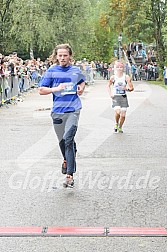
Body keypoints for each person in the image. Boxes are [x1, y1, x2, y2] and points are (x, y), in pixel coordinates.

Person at [38, 44, 86, 188]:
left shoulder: (75, 70)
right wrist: (56, 89)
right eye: (60, 55)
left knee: (68, 139)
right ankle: (67, 159)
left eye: (65, 55)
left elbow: (82, 81)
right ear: (56, 56)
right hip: (57, 111)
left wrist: (81, 88)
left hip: (73, 109)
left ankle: (69, 176)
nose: (63, 58)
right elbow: (41, 90)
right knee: (63, 142)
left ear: (70, 55)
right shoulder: (51, 71)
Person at [107, 60, 134, 133]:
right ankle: (116, 123)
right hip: (116, 96)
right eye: (118, 67)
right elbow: (108, 86)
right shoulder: (113, 77)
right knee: (118, 112)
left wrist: (127, 89)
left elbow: (132, 88)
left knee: (123, 115)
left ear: (123, 68)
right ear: (115, 68)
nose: (119, 68)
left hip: (123, 97)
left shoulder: (126, 77)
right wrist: (110, 94)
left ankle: (120, 127)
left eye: (121, 67)